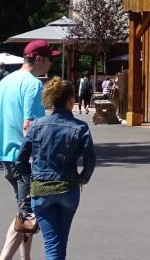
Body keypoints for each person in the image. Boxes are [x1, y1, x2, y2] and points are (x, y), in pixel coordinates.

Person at [17, 77, 96, 260]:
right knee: (61, 240)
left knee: (52, 241)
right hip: (68, 188)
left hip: (41, 190)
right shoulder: (80, 127)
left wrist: (31, 180)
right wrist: (81, 179)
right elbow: (90, 161)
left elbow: (21, 159)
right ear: (70, 99)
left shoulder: (36, 125)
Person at [0, 39, 58, 260]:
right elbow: (29, 126)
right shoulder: (33, 85)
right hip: (25, 159)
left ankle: (26, 258)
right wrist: (38, 160)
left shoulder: (4, 81)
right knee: (27, 215)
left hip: (6, 153)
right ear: (39, 59)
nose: (51, 63)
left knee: (26, 214)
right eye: (50, 58)